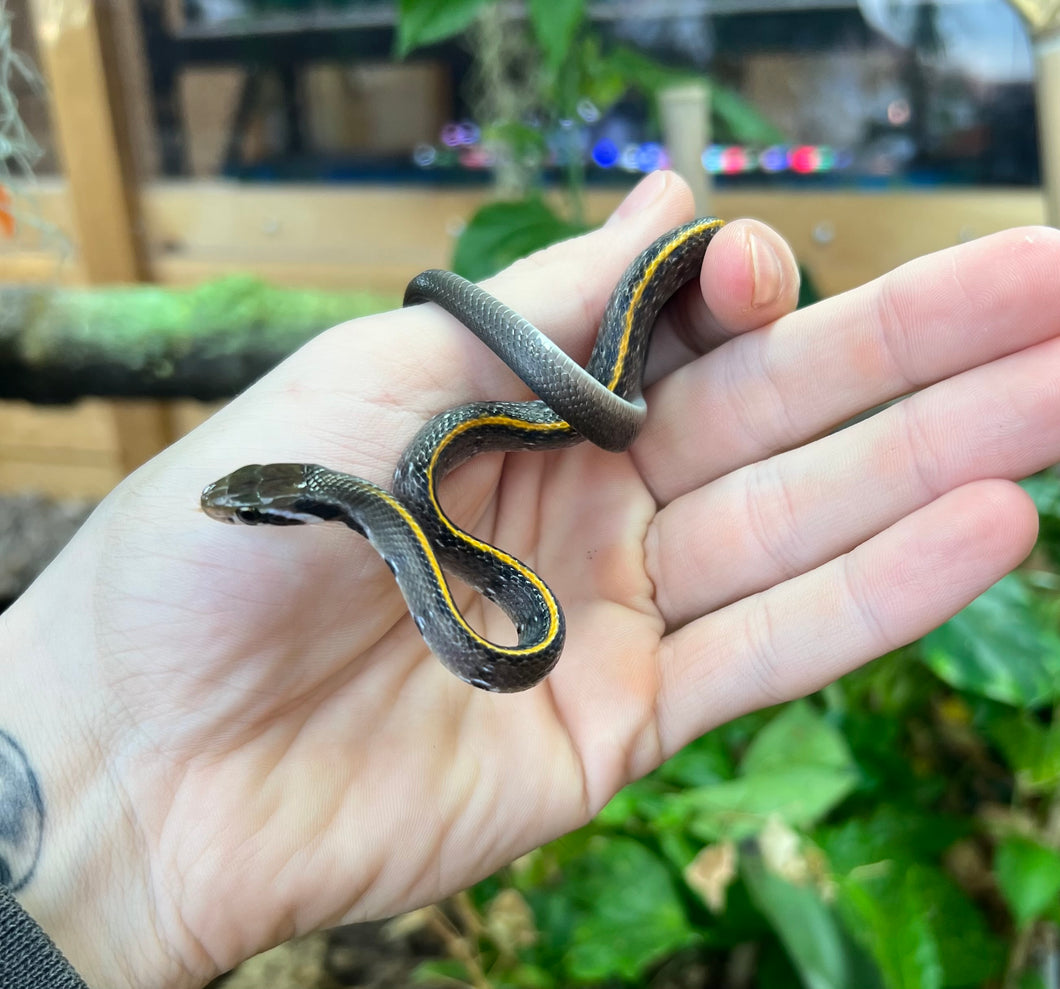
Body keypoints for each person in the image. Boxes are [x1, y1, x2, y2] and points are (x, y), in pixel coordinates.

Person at [1, 170, 1056, 988]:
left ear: (305, 507)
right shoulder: (411, 507)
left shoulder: (424, 493)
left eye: (243, 510)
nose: (230, 518)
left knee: (697, 288)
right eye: (243, 507)